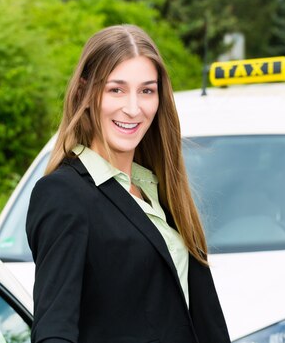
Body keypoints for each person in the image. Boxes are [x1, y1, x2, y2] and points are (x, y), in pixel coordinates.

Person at [26, 24, 231, 343]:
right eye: (116, 89)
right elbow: (54, 328)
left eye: (147, 90)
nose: (134, 108)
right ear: (84, 91)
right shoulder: (63, 194)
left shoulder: (158, 188)